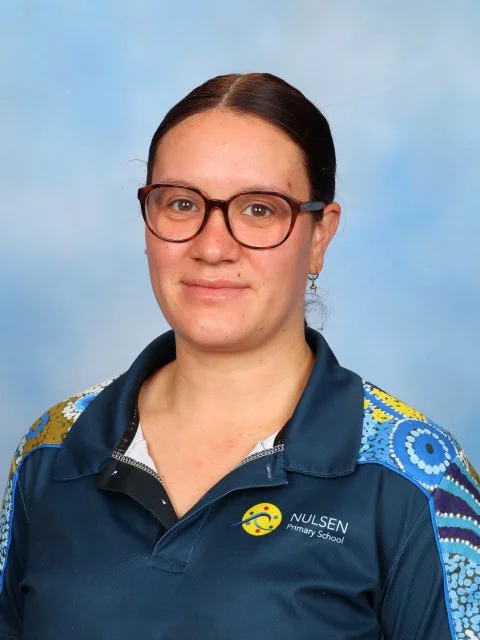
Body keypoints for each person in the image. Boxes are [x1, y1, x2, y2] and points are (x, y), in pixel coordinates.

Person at [0, 72, 478, 640]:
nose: (211, 247)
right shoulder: (52, 451)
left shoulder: (415, 480)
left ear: (320, 235)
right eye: (182, 204)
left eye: (259, 210)